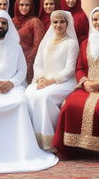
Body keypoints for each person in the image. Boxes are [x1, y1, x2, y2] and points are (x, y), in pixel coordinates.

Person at [0, 10, 58, 173]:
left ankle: (21, 150)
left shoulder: (15, 47)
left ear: (8, 26)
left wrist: (11, 83)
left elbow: (21, 71)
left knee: (20, 104)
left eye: (3, 23)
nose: (0, 25)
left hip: (12, 87)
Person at [52, 7, 99, 159]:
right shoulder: (86, 42)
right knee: (69, 106)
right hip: (86, 87)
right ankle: (70, 148)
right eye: (95, 19)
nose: (98, 22)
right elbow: (79, 67)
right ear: (91, 22)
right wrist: (85, 81)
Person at [25, 10, 79, 150]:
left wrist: (51, 81)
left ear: (67, 24)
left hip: (64, 82)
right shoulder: (47, 41)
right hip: (43, 81)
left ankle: (50, 140)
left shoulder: (71, 43)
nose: (58, 25)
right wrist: (41, 78)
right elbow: (38, 63)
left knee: (44, 97)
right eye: (55, 22)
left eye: (62, 22)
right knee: (28, 94)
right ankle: (32, 139)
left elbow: (70, 70)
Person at [12, 0, 45, 84]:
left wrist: (27, 61)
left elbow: (38, 45)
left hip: (29, 61)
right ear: (17, 6)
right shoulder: (11, 21)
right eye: (21, 5)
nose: (24, 7)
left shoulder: (35, 22)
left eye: (27, 5)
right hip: (12, 59)